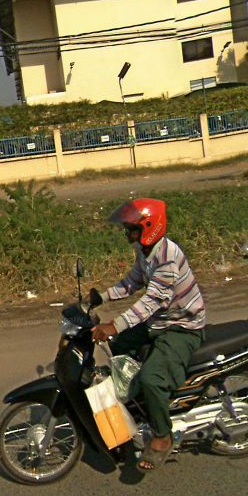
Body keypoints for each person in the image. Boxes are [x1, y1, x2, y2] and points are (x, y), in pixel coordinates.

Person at [91, 198, 206, 472]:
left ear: (150, 228)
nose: (127, 234)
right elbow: (133, 282)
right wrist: (100, 298)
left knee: (151, 377)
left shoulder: (167, 258)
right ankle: (142, 405)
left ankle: (163, 436)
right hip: (160, 322)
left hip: (181, 327)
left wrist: (115, 324)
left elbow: (152, 301)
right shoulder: (147, 252)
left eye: (132, 229)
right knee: (119, 344)